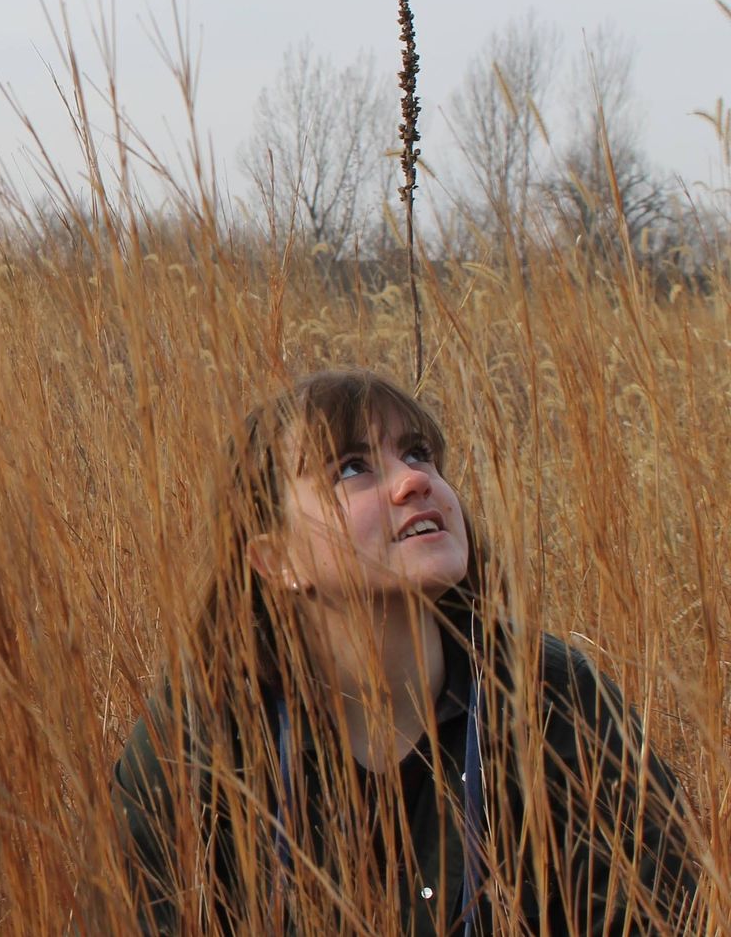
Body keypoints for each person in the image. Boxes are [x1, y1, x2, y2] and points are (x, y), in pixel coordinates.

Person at [109, 369, 700, 934]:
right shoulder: (203, 732)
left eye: (418, 454)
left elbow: (665, 914)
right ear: (276, 560)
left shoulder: (551, 696)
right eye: (352, 468)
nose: (416, 480)